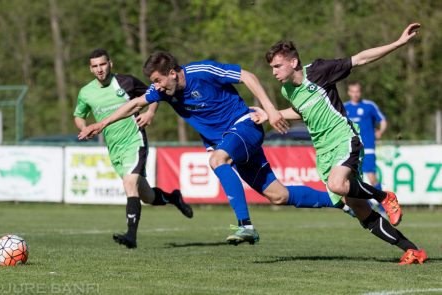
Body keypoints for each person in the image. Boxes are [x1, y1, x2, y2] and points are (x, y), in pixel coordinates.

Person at [78, 52, 347, 246]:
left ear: (173, 73)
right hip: (228, 141)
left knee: (218, 160)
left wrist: (270, 109)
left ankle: (246, 226)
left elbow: (248, 76)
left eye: (159, 80)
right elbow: (134, 103)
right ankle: (340, 201)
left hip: (244, 126)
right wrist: (101, 123)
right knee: (278, 195)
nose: (156, 86)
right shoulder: (163, 90)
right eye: (154, 82)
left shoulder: (202, 71)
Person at [252, 23, 427, 264]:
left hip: (344, 138)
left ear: (293, 62)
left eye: (277, 66)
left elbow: (360, 59)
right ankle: (412, 250)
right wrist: (272, 115)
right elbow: (302, 111)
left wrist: (397, 44)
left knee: (338, 184)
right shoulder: (287, 90)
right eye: (271, 67)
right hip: (323, 152)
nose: (273, 72)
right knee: (360, 210)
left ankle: (385, 196)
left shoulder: (320, 70)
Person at [74, 49, 193, 249]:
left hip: (134, 140)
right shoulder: (86, 92)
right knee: (147, 196)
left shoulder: (126, 82)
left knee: (130, 184)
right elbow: (79, 115)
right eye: (95, 66)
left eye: (102, 64)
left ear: (110, 64)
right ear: (90, 69)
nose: (99, 69)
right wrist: (84, 127)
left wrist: (150, 113)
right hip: (114, 148)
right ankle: (173, 197)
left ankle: (131, 236)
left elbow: (156, 92)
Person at [345, 82, 387, 190]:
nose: (355, 94)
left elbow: (382, 120)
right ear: (349, 93)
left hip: (367, 147)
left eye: (357, 91)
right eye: (353, 91)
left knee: (371, 177)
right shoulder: (344, 107)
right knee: (354, 178)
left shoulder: (369, 106)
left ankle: (384, 205)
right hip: (350, 148)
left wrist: (380, 131)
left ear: (361, 92)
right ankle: (364, 205)